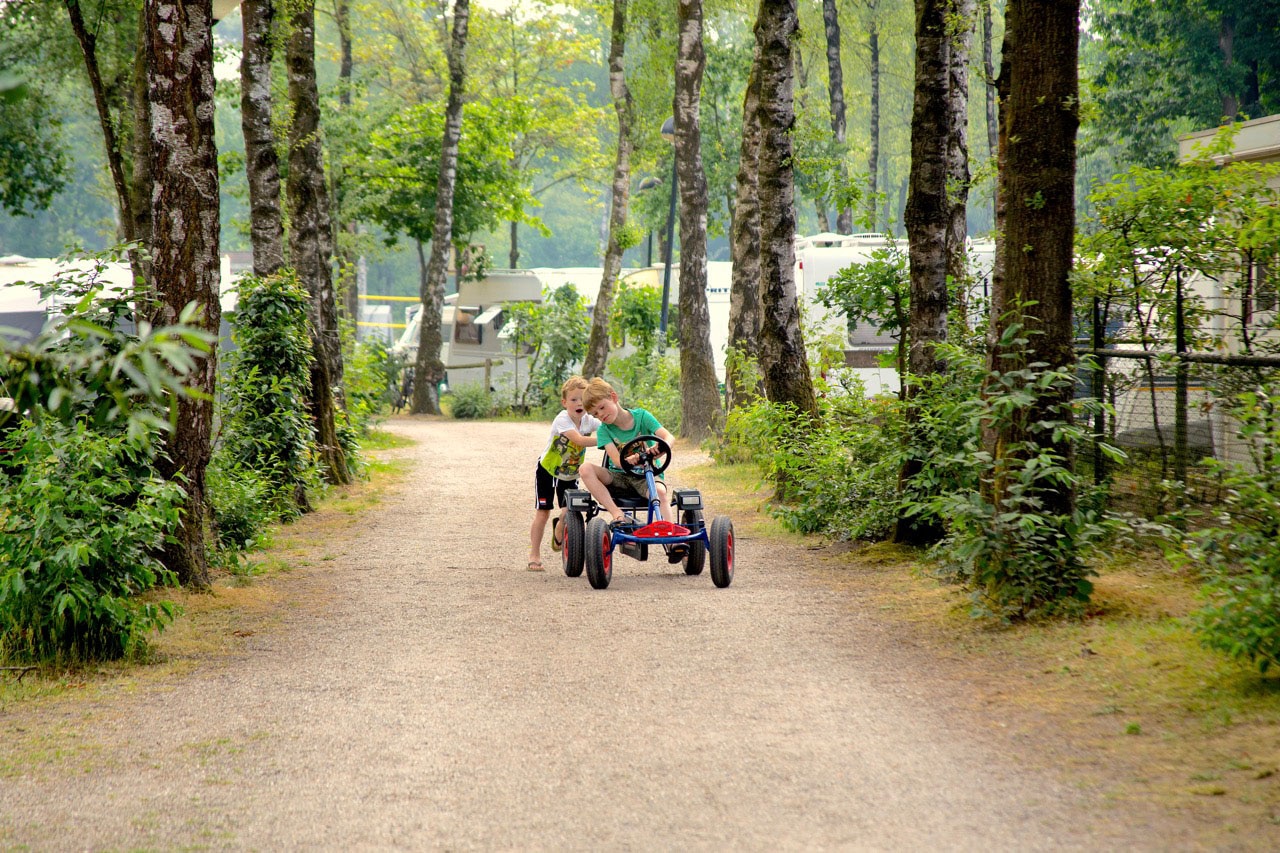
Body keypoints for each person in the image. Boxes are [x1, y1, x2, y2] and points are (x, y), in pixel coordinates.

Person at [579, 378, 684, 562]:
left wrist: (661, 449)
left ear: (614, 397)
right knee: (585, 468)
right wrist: (629, 459)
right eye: (595, 414)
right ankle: (616, 513)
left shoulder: (642, 417)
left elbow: (668, 436)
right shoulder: (604, 430)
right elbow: (617, 461)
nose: (600, 415)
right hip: (619, 476)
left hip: (647, 475)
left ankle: (671, 538)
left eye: (602, 408)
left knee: (659, 491)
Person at [528, 376, 601, 571]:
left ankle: (560, 527)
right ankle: (534, 556)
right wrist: (605, 439)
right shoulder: (563, 419)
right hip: (549, 470)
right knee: (543, 512)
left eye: (582, 400)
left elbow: (607, 426)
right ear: (564, 402)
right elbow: (578, 440)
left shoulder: (588, 420)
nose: (578, 403)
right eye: (573, 399)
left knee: (569, 510)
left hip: (570, 473)